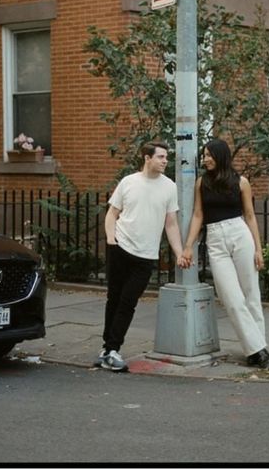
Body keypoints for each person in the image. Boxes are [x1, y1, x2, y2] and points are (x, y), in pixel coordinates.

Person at [95, 141, 189, 372]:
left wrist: (179, 253)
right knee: (114, 299)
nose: (165, 160)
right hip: (121, 247)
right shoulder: (129, 182)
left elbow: (171, 223)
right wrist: (110, 239)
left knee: (128, 302)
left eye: (166, 157)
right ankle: (108, 349)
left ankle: (111, 349)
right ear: (147, 158)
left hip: (146, 255)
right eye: (160, 156)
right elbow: (112, 213)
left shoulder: (169, 187)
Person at [181, 139, 269, 368]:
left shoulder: (241, 182)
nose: (205, 159)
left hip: (240, 234)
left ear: (221, 156)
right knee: (231, 298)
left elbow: (250, 216)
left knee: (251, 292)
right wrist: (189, 245)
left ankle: (256, 349)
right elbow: (198, 215)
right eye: (204, 155)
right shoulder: (202, 183)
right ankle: (257, 346)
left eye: (209, 155)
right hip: (215, 238)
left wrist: (259, 249)